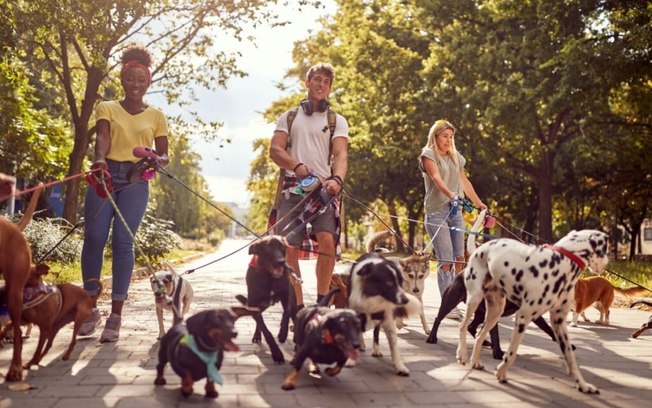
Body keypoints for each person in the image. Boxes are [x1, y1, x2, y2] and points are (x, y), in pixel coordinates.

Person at [79, 44, 169, 342]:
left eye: (140, 80)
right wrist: (99, 159)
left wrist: (156, 158)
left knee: (122, 242)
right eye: (130, 78)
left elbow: (166, 156)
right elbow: (102, 137)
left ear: (148, 82)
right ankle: (91, 308)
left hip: (136, 179)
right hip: (105, 174)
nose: (135, 84)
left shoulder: (157, 115)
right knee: (93, 238)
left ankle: (116, 315)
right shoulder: (107, 107)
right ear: (122, 78)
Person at [269, 62, 349, 308]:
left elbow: (341, 155)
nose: (321, 84)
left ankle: (322, 304)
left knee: (327, 240)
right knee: (289, 248)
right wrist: (297, 166)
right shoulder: (289, 117)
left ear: (329, 87)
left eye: (326, 81)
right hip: (293, 188)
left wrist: (337, 179)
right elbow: (275, 150)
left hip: (324, 191)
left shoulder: (337, 120)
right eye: (317, 79)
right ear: (307, 82)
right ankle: (298, 307)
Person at [420, 119, 487, 320]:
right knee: (446, 259)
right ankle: (446, 304)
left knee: (459, 257)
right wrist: (451, 194)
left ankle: (458, 299)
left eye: (451, 136)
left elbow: (464, 181)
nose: (448, 140)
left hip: (455, 212)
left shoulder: (456, 157)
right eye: (444, 136)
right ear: (435, 136)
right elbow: (436, 178)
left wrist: (479, 203)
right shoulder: (428, 154)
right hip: (436, 212)